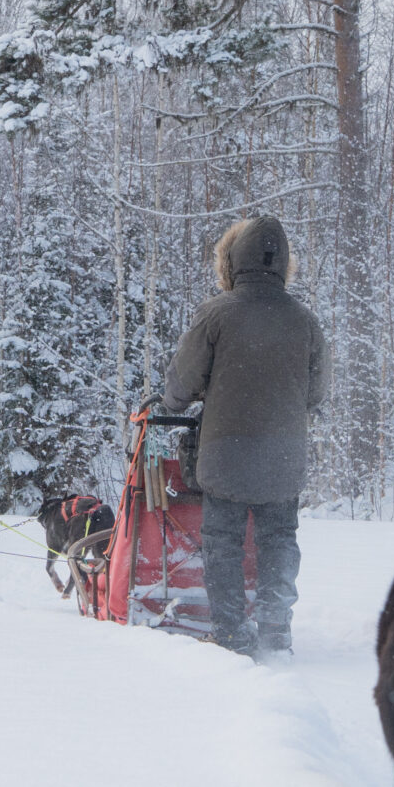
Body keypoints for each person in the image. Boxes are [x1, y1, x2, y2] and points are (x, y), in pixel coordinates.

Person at [162, 214, 328, 661]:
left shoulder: (216, 314)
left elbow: (181, 384)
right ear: (283, 263)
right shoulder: (306, 322)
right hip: (283, 454)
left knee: (223, 542)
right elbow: (317, 392)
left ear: (231, 260)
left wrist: (179, 397)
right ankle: (276, 631)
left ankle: (231, 632)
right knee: (279, 539)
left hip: (224, 452)